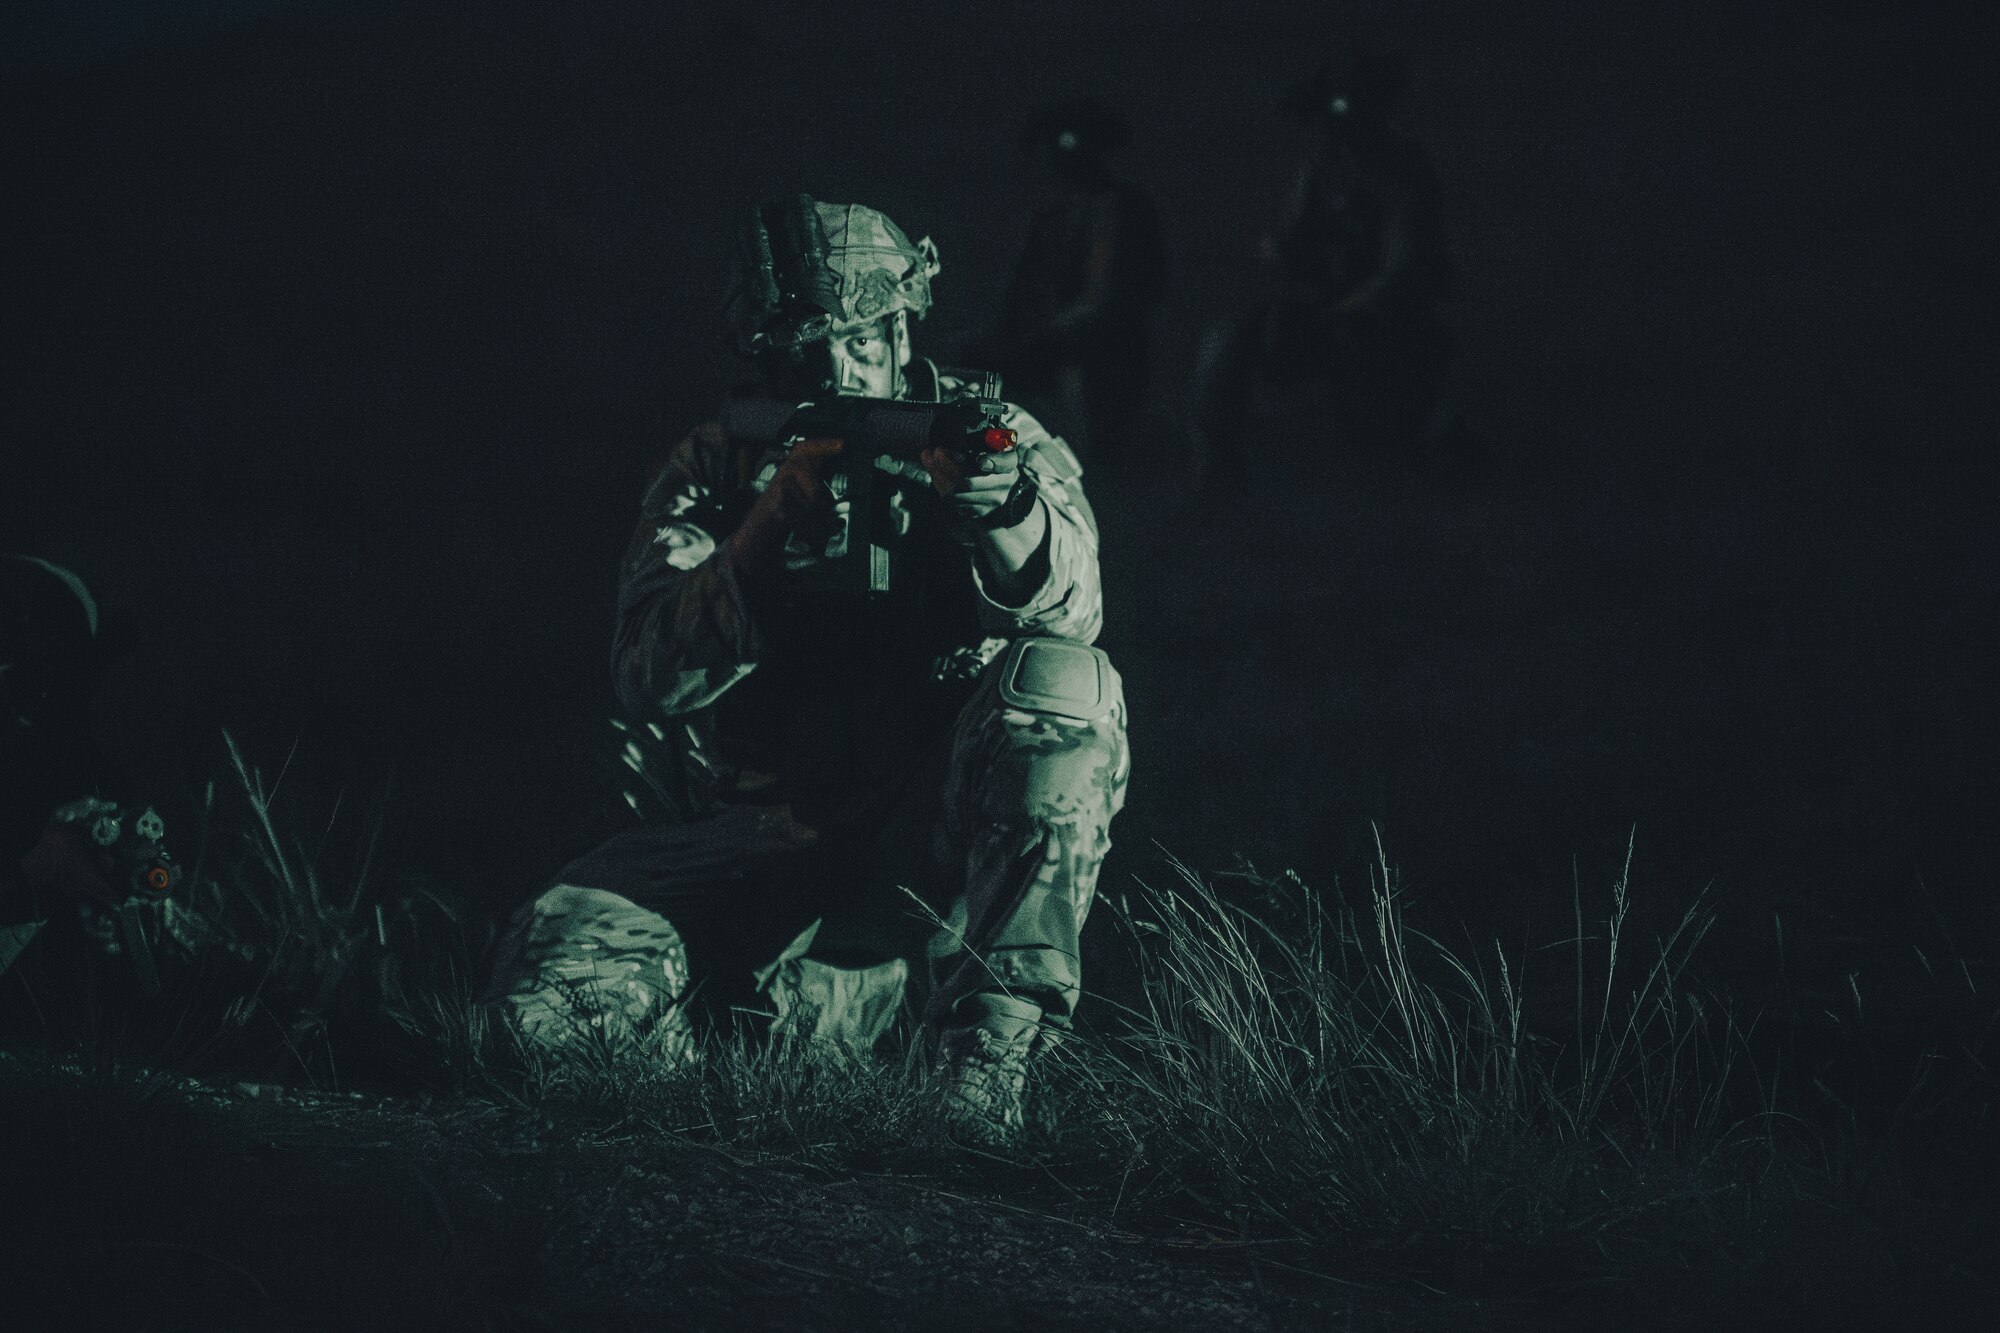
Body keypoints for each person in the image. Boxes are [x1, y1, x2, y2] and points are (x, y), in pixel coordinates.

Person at [483, 197, 1130, 1143]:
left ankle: (983, 1070)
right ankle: (739, 1056)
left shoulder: (999, 440)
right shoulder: (720, 466)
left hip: (918, 845)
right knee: (544, 1008)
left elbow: (1074, 613)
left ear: (901, 326)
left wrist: (998, 512)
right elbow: (646, 678)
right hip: (758, 836)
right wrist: (760, 535)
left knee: (1066, 687)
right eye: (805, 352)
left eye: (860, 339)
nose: (838, 372)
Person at [1191, 43, 1457, 490]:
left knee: (1381, 409)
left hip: (1390, 317)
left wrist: (1343, 309)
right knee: (1225, 343)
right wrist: (1283, 251)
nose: (1330, 129)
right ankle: (1214, 475)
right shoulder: (1321, 167)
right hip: (1325, 305)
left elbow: (1403, 269)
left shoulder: (1406, 174)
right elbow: (1294, 237)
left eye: (1344, 112)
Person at [993, 97, 1167, 468]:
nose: (1056, 158)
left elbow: (1113, 294)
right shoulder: (1055, 214)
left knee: (1083, 458)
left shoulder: (1120, 208)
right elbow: (1026, 286)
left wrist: (1049, 335)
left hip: (1098, 356)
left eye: (1067, 145)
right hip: (1051, 355)